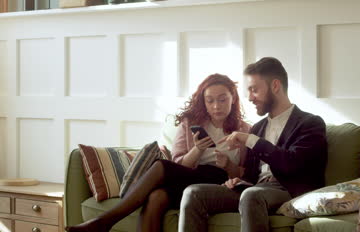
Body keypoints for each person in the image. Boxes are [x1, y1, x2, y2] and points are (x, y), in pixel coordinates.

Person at [65, 74, 251, 232]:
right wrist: (198, 149)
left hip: (219, 183)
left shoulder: (247, 131)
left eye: (222, 99)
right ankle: (103, 223)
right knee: (157, 196)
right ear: (203, 101)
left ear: (233, 98)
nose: (216, 106)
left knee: (161, 166)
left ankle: (104, 222)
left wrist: (228, 165)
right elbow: (180, 165)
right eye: (210, 100)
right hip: (191, 176)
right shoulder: (189, 124)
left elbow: (248, 176)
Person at [178, 57, 327, 232]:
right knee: (193, 193)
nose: (249, 98)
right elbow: (250, 175)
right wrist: (236, 180)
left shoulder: (310, 123)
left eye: (254, 90)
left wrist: (250, 140)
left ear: (275, 86)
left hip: (289, 189)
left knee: (251, 195)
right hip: (256, 190)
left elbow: (292, 164)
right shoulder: (258, 127)